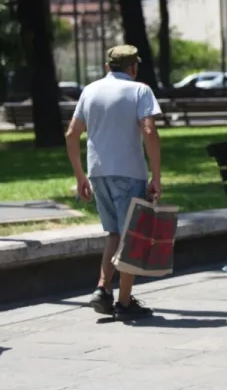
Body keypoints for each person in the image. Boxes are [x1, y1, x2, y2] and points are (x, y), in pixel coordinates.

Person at [65, 45, 161, 320]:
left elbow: (72, 135)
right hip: (130, 172)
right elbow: (149, 130)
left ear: (108, 67)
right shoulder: (140, 90)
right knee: (130, 237)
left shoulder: (90, 91)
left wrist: (80, 176)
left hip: (98, 173)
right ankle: (125, 302)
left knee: (114, 234)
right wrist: (156, 175)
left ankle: (102, 290)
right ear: (133, 67)